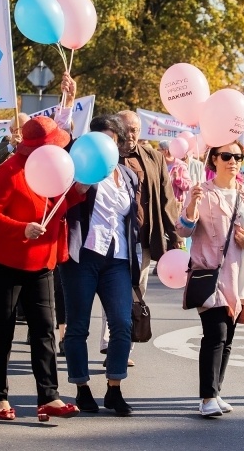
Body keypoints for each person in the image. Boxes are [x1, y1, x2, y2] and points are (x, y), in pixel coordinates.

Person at [0, 115, 88, 421]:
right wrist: (21, 228)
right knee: (3, 330)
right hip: (4, 263)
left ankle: (49, 396)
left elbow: (55, 206)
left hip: (41, 262)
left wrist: (78, 192)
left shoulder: (55, 166)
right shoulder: (9, 171)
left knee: (44, 330)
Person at [177, 140, 244, 417]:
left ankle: (216, 393)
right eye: (227, 156)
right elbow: (183, 230)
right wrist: (192, 205)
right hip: (212, 275)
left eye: (238, 157)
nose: (233, 161)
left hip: (241, 276)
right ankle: (207, 397)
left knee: (227, 337)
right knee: (215, 334)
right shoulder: (203, 193)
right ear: (214, 160)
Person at [62, 115, 139, 416]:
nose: (104, 145)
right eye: (98, 139)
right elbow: (59, 197)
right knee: (77, 326)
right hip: (83, 256)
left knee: (122, 323)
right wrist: (77, 188)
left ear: (118, 143)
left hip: (117, 258)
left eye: (110, 139)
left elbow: (132, 219)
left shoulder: (129, 176)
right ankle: (81, 387)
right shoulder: (77, 167)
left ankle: (114, 389)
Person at [100, 110, 181, 358]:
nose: (130, 135)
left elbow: (167, 200)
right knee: (112, 291)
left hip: (143, 238)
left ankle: (126, 345)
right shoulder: (106, 154)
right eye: (126, 129)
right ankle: (112, 342)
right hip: (112, 238)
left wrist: (175, 237)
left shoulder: (154, 157)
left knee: (138, 290)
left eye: (135, 130)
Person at [159, 140, 191, 206]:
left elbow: (189, 185)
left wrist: (178, 179)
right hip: (160, 203)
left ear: (165, 151)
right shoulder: (158, 164)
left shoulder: (180, 166)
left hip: (174, 205)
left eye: (158, 150)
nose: (157, 152)